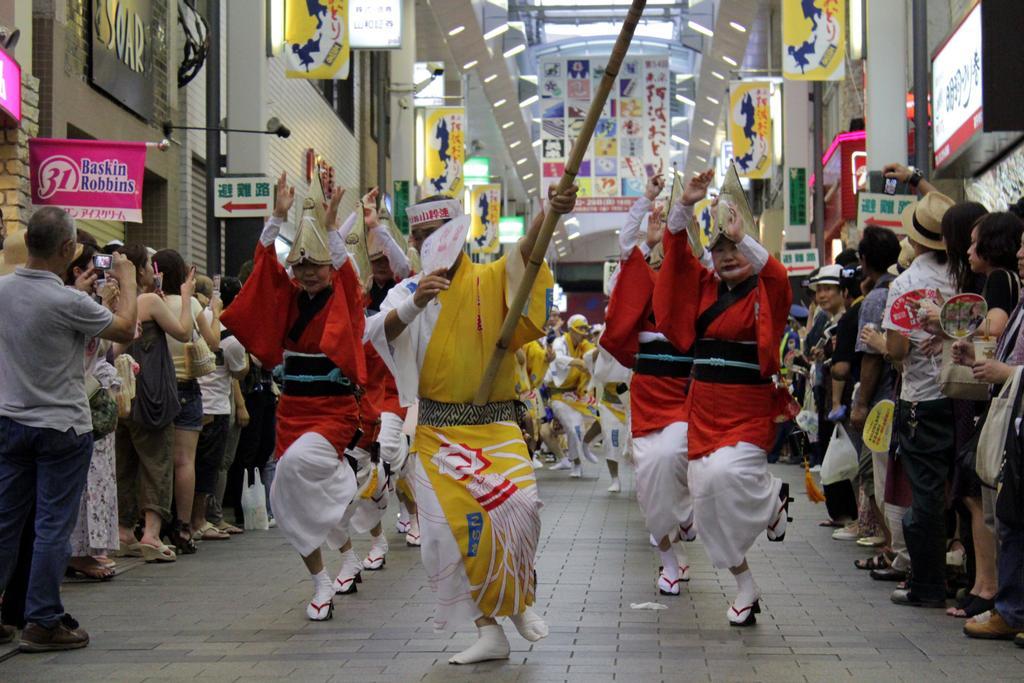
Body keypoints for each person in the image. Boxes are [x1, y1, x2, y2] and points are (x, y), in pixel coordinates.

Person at [366, 185, 578, 664]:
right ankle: (488, 628)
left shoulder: (488, 279)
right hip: (438, 433)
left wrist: (548, 213)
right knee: (446, 534)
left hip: (496, 424)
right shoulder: (405, 292)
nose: (428, 242)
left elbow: (526, 256)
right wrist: (415, 303)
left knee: (520, 510)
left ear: (458, 233)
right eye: (420, 235)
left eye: (437, 232)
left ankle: (516, 600)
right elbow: (378, 332)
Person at [221, 173, 367, 621]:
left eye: (316, 266)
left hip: (333, 413)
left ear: (329, 266)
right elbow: (263, 270)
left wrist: (331, 225)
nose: (307, 274)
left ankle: (345, 486)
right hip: (292, 412)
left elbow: (349, 278)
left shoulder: (343, 297)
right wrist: (277, 217)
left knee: (292, 473)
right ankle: (324, 575)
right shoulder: (286, 297)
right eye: (300, 267)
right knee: (293, 494)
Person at [653, 167, 794, 626]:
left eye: (735, 248)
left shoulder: (766, 291)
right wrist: (684, 206)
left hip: (748, 409)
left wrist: (742, 236)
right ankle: (744, 585)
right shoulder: (703, 286)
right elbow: (676, 258)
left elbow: (779, 279)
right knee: (706, 496)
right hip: (702, 409)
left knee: (725, 475)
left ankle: (771, 501)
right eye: (719, 249)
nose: (727, 256)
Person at [0, 206, 137, 652]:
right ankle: (42, 619)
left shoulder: (3, 291)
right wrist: (128, 281)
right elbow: (126, 329)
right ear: (65, 249)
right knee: (51, 526)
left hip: (10, 422)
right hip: (62, 427)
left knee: (6, 522)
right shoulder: (69, 302)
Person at [601, 174, 697, 596]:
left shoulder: (692, 284)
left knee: (674, 456)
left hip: (681, 395)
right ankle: (669, 563)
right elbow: (626, 250)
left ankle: (686, 513)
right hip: (645, 396)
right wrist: (645, 202)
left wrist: (684, 212)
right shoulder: (641, 283)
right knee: (648, 485)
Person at [882, 191, 958, 608]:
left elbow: (897, 349)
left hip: (922, 400)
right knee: (964, 493)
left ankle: (928, 583)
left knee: (926, 493)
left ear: (915, 240)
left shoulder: (905, 284)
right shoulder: (965, 275)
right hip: (967, 396)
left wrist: (885, 345)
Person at [114, 244, 197, 563]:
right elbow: (184, 332)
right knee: (157, 462)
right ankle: (151, 533)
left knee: (125, 464)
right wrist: (186, 296)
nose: (153, 269)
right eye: (149, 264)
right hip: (152, 393)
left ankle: (124, 531)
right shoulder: (148, 301)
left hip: (122, 393)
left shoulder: (115, 301)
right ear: (138, 270)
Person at [153, 249, 223, 554]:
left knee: (156, 460)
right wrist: (215, 313)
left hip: (155, 390)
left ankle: (153, 522)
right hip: (186, 388)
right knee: (185, 461)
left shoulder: (149, 302)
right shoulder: (191, 304)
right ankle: (183, 526)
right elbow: (214, 342)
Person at [849, 226, 905, 579]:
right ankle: (895, 550)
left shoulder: (874, 298)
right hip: (903, 397)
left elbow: (870, 358)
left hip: (882, 403)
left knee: (878, 477)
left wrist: (860, 404)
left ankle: (893, 551)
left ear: (865, 259)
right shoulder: (897, 289)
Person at [193, 276, 250, 541]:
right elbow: (239, 371)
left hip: (191, 403)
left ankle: (191, 521)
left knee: (190, 464)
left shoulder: (192, 318)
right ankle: (202, 519)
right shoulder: (232, 336)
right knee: (211, 466)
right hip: (215, 406)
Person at [545, 314, 599, 478]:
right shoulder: (559, 342)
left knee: (602, 417)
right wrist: (578, 362)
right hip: (559, 395)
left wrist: (601, 349)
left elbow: (593, 354)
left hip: (577, 394)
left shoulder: (584, 344)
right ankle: (576, 463)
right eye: (579, 329)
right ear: (571, 330)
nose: (583, 333)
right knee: (575, 428)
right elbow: (558, 358)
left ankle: (586, 446)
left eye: (584, 329)